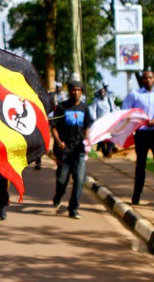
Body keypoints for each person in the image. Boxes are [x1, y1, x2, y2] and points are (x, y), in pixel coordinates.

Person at [123, 70, 154, 208]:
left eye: (150, 78)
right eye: (145, 78)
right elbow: (125, 111)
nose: (148, 80)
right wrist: (138, 120)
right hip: (141, 133)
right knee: (141, 165)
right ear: (142, 81)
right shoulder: (135, 95)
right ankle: (137, 194)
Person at [51, 80, 92, 219]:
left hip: (79, 150)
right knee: (62, 180)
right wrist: (58, 141)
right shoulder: (62, 107)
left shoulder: (85, 108)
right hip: (64, 150)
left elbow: (88, 126)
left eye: (79, 90)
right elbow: (54, 127)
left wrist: (88, 139)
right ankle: (58, 196)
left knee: (80, 179)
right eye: (74, 90)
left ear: (82, 92)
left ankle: (73, 208)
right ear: (70, 91)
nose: (76, 92)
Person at [89, 85, 118, 157]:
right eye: (101, 91)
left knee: (110, 137)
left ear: (105, 92)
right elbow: (93, 110)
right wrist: (94, 119)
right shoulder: (96, 101)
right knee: (101, 138)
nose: (102, 93)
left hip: (109, 121)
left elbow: (113, 109)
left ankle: (109, 150)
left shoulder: (109, 100)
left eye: (103, 91)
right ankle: (103, 150)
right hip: (100, 122)